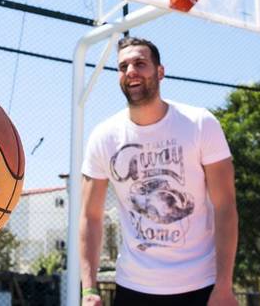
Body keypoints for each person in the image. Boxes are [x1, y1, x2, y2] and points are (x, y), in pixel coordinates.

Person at [79, 37, 238, 306]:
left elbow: (226, 206)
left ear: (160, 72)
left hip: (201, 285)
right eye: (123, 66)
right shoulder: (103, 137)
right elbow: (90, 216)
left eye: (140, 63)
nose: (131, 71)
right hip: (134, 288)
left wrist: (224, 286)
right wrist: (88, 289)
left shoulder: (200, 124)